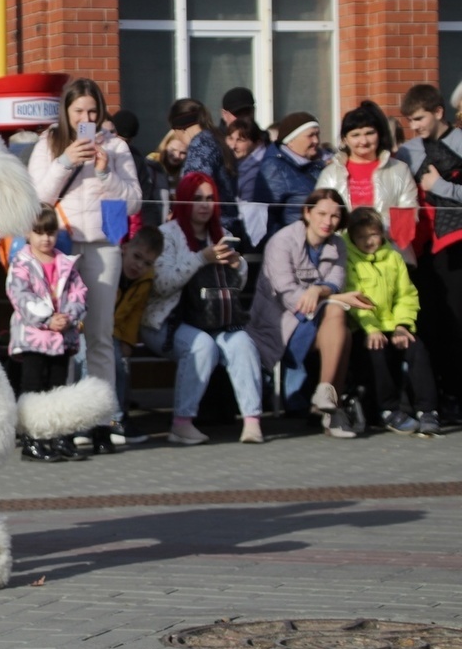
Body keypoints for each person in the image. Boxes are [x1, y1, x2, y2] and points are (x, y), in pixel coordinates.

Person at [27, 77, 142, 387]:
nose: (86, 119)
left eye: (93, 112)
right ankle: (68, 419)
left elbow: (134, 202)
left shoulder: (116, 146)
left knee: (100, 333)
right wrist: (65, 162)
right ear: (66, 111)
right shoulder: (48, 143)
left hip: (103, 245)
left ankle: (102, 418)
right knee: (62, 332)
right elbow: (36, 199)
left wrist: (106, 174)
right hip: (60, 245)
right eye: (79, 111)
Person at [139, 173, 265, 445]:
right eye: (197, 199)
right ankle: (181, 424)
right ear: (184, 201)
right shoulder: (167, 235)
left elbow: (237, 285)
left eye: (210, 199)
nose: (205, 205)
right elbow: (161, 285)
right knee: (201, 346)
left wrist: (237, 266)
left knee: (242, 343)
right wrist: (201, 259)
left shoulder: (223, 236)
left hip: (215, 319)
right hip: (166, 322)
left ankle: (252, 420)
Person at [247, 189, 373, 436]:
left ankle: (325, 393)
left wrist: (320, 290)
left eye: (335, 216)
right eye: (322, 214)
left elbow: (336, 279)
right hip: (280, 323)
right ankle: (330, 412)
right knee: (340, 322)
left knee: (340, 323)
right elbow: (290, 297)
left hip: (317, 321)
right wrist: (329, 295)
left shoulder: (337, 244)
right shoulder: (282, 241)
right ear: (307, 212)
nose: (328, 222)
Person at [396, 83, 462, 423]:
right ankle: (438, 393)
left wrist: (441, 187)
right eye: (409, 120)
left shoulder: (460, 143)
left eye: (419, 118)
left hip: (456, 246)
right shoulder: (408, 151)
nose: (415, 126)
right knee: (431, 323)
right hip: (422, 249)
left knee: (456, 322)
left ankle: (455, 393)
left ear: (438, 112)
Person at [343, 207, 439, 436]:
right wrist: (372, 329)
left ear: (382, 233)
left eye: (373, 235)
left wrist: (402, 326)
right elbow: (355, 298)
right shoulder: (348, 259)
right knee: (376, 351)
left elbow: (406, 295)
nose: (368, 241)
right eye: (361, 237)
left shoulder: (394, 257)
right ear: (352, 237)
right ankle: (388, 409)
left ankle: (428, 410)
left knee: (418, 350)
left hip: (393, 324)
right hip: (365, 327)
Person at [6, 203, 88, 461]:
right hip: (34, 338)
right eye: (39, 232)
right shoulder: (21, 264)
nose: (46, 238)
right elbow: (20, 296)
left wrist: (69, 316)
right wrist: (47, 319)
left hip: (62, 337)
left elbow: (79, 293)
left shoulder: (66, 263)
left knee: (59, 389)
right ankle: (33, 439)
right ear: (28, 234)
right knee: (33, 389)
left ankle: (59, 436)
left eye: (50, 233)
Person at [315, 100, 418, 257]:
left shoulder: (399, 170)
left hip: (389, 254)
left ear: (379, 134)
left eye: (369, 133)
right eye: (355, 135)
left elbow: (409, 214)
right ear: (345, 139)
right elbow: (321, 215)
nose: (363, 141)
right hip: (343, 254)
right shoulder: (330, 174)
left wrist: (374, 235)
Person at [110, 226, 164, 445]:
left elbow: (134, 314)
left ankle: (119, 418)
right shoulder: (110, 267)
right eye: (136, 257)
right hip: (91, 327)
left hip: (115, 331)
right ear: (125, 248)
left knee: (121, 367)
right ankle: (107, 421)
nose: (139, 266)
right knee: (108, 362)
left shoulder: (145, 279)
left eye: (147, 263)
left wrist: (128, 341)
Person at [254, 111, 327, 241]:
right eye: (310, 136)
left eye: (317, 134)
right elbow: (267, 219)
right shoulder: (274, 168)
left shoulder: (317, 165)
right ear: (290, 141)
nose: (316, 141)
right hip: (293, 246)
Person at [172, 98, 240, 234]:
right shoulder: (217, 139)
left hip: (210, 230)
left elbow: (197, 190)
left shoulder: (200, 145)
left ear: (181, 128)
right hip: (227, 225)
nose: (178, 138)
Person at [110, 109, 163, 229]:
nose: (122, 146)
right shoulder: (99, 153)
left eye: (126, 142)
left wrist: (152, 230)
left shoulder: (136, 158)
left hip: (130, 222)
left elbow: (146, 198)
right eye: (118, 140)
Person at [225, 117, 268, 203]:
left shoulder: (257, 171)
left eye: (240, 140)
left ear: (257, 143)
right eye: (230, 138)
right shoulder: (235, 162)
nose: (233, 146)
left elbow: (247, 208)